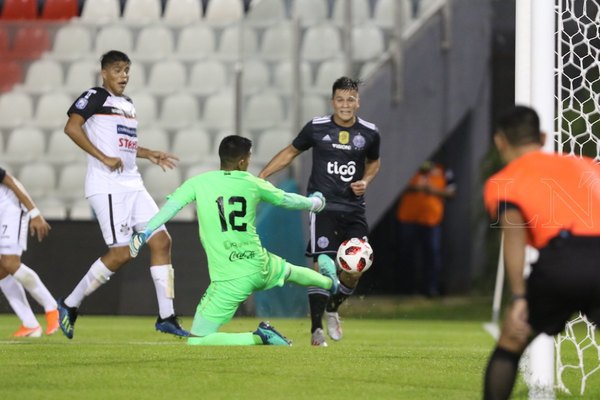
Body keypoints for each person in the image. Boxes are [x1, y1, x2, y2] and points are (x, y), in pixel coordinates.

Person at [129, 135, 339, 346]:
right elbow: (286, 200)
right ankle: (330, 282)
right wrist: (315, 203)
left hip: (230, 278)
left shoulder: (198, 183)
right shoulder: (252, 183)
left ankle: (260, 337)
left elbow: (170, 209)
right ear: (242, 162)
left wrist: (145, 232)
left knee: (197, 341)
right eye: (248, 157)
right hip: (259, 263)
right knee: (289, 271)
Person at [57, 50, 189, 339]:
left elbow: (125, 146)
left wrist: (148, 152)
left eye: (127, 70)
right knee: (121, 252)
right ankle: (69, 304)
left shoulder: (127, 104)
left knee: (162, 241)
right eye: (117, 70)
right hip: (108, 186)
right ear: (104, 72)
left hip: (133, 183)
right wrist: (103, 157)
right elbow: (71, 127)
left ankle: (166, 316)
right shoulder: (94, 96)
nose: (124, 75)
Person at [482, 105, 600, 399]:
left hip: (564, 261)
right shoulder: (587, 165)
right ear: (544, 137)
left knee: (512, 340)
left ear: (500, 141)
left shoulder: (504, 180)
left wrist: (519, 296)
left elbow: (513, 236)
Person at [258, 76, 381, 346]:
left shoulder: (370, 133)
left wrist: (366, 181)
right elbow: (291, 151)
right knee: (322, 267)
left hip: (353, 210)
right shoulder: (317, 127)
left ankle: (333, 308)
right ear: (332, 101)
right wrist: (264, 175)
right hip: (322, 207)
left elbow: (374, 162)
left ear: (358, 102)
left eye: (350, 99)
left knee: (354, 268)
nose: (345, 105)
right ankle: (316, 330)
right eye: (340, 99)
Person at [0, 167, 59, 337]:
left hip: (9, 205)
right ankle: (30, 324)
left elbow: (10, 181)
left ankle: (52, 308)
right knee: (2, 271)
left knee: (10, 263)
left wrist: (35, 213)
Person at [395, 160, 456, 297]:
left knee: (432, 254)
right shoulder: (410, 166)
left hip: (432, 220)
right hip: (408, 217)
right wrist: (414, 187)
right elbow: (395, 185)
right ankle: (406, 289)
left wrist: (432, 190)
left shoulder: (443, 170)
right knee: (407, 254)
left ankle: (430, 289)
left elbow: (452, 193)